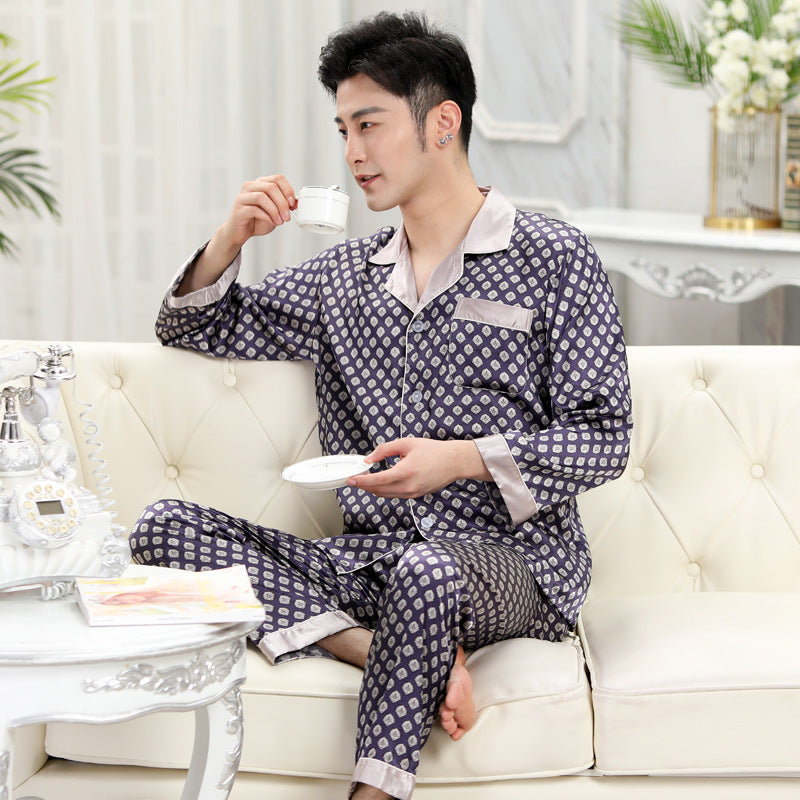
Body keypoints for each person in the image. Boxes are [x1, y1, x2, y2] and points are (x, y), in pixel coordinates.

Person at [129, 11, 632, 800]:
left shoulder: (554, 259)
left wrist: (460, 461)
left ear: (442, 124)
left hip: (516, 565)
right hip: (371, 565)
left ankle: (374, 791)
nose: (353, 154)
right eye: (343, 131)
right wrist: (231, 238)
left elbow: (604, 437)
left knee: (428, 572)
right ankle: (383, 646)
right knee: (164, 528)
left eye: (369, 125)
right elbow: (193, 325)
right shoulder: (342, 278)